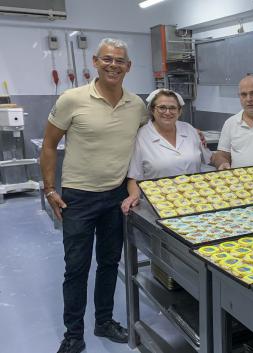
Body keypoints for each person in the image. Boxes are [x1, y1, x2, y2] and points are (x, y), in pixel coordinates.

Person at [40, 38, 148, 353]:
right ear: (96, 63)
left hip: (115, 197)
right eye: (108, 59)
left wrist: (185, 133)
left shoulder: (136, 105)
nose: (114, 65)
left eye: (120, 61)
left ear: (129, 67)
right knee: (76, 267)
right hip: (79, 198)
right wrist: (49, 188)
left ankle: (103, 321)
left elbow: (146, 140)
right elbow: (49, 145)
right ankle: (73, 334)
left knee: (109, 262)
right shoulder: (71, 99)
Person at [121, 88, 213, 214]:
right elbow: (134, 177)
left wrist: (223, 161)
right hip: (159, 206)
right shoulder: (141, 137)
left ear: (179, 111)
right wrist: (134, 195)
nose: (167, 112)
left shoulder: (190, 130)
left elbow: (209, 158)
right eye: (162, 107)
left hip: (195, 202)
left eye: (173, 108)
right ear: (153, 110)